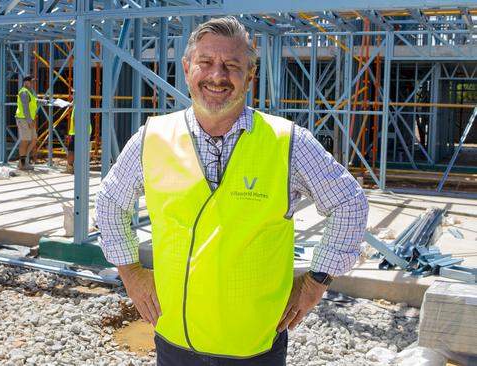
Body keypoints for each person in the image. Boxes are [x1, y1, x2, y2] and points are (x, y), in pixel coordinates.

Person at [96, 16, 368, 365]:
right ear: (187, 67)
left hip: (254, 347)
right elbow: (109, 202)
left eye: (232, 65)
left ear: (250, 76)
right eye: (206, 62)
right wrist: (131, 274)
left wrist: (316, 282)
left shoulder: (287, 143)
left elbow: (350, 204)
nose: (217, 75)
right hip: (175, 342)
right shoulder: (152, 139)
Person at [14, 75, 48, 170]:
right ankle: (22, 163)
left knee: (33, 140)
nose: (33, 83)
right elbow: (25, 108)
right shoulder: (24, 92)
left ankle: (23, 160)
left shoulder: (30, 92)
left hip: (28, 119)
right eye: (31, 81)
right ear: (26, 82)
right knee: (24, 141)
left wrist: (46, 101)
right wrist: (29, 121)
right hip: (24, 119)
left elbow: (34, 101)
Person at [65, 105, 92, 174]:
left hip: (77, 133)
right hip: (86, 132)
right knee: (83, 151)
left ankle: (70, 168)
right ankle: (83, 168)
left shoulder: (78, 105)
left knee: (71, 151)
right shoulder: (85, 105)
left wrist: (78, 131)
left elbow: (75, 119)